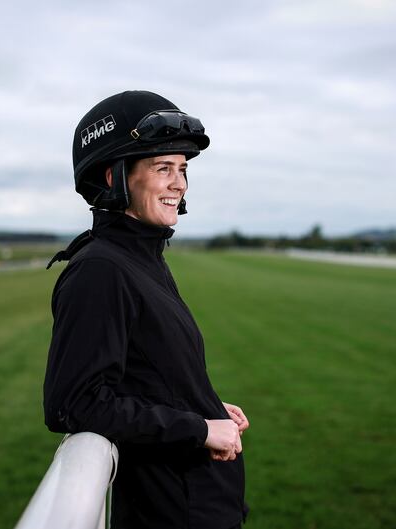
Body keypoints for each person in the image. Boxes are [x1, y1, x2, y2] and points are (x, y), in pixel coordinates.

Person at [43, 90, 249, 529]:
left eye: (183, 170)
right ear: (115, 177)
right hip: (172, 512)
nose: (180, 184)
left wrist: (204, 406)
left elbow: (147, 374)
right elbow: (75, 403)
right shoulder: (101, 270)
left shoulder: (142, 258)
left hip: (202, 504)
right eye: (163, 169)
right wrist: (199, 429)